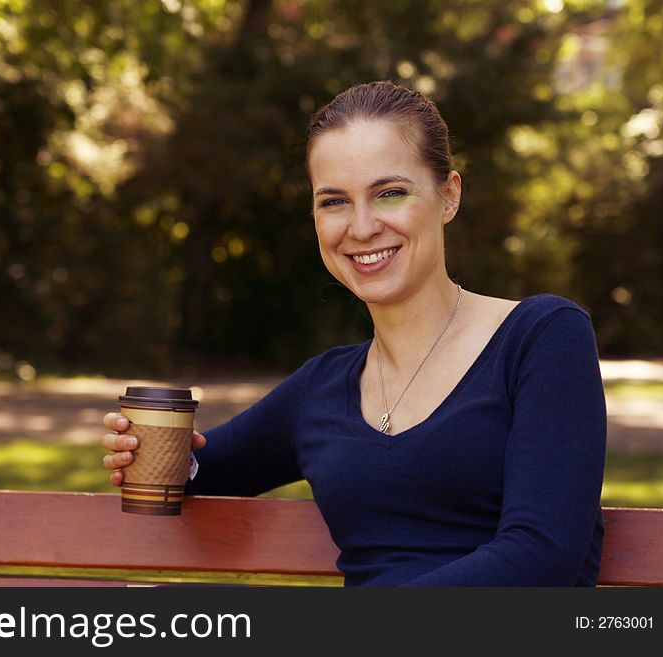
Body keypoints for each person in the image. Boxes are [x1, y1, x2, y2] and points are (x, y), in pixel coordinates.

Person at [101, 81, 607, 587]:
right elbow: (202, 471)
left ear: (448, 194)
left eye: (389, 194)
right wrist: (150, 453)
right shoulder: (322, 388)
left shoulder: (541, 338)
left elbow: (543, 557)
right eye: (334, 201)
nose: (361, 227)